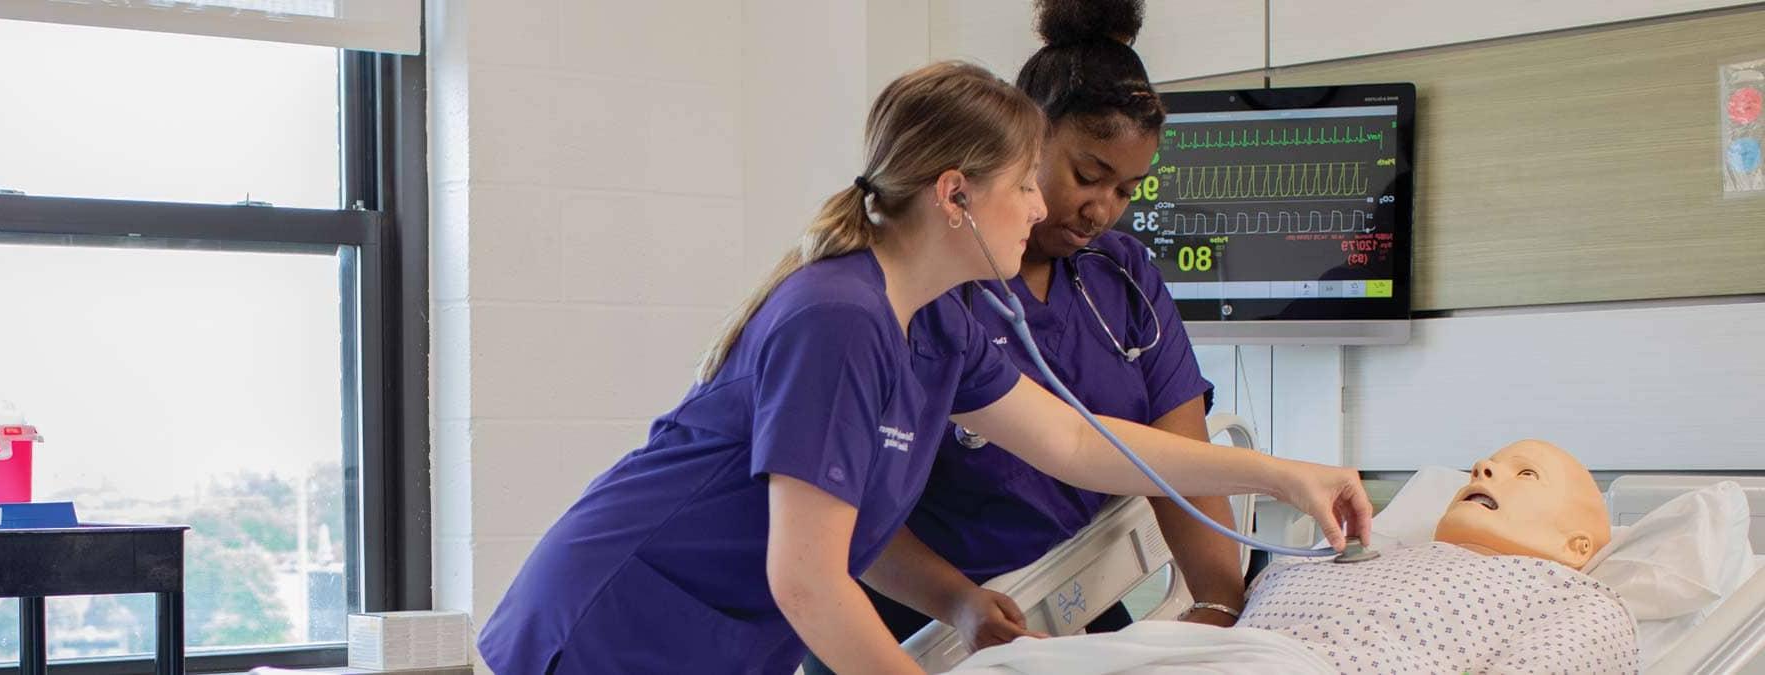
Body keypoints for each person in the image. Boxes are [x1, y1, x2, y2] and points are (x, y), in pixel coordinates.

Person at [475, 61, 1371, 675]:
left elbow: (1078, 443)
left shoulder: (937, 322)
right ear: (955, 195)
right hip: (612, 626)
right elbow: (809, 575)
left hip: (713, 638)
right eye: (1026, 183)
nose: (1039, 207)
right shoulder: (837, 317)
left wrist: (1284, 475)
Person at [801, 5, 1247, 671]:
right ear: (1025, 143)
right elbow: (828, 535)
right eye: (1087, 175)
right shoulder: (910, 298)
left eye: (1128, 189)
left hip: (1060, 596)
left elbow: (1150, 455)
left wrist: (1225, 613)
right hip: (908, 608)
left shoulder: (1118, 276)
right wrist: (956, 600)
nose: (1104, 209)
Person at [951, 441, 1640, 674]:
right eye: (1486, 463)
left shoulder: (1577, 599)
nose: (1487, 468)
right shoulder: (1353, 552)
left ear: (1577, 546)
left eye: (1525, 474)